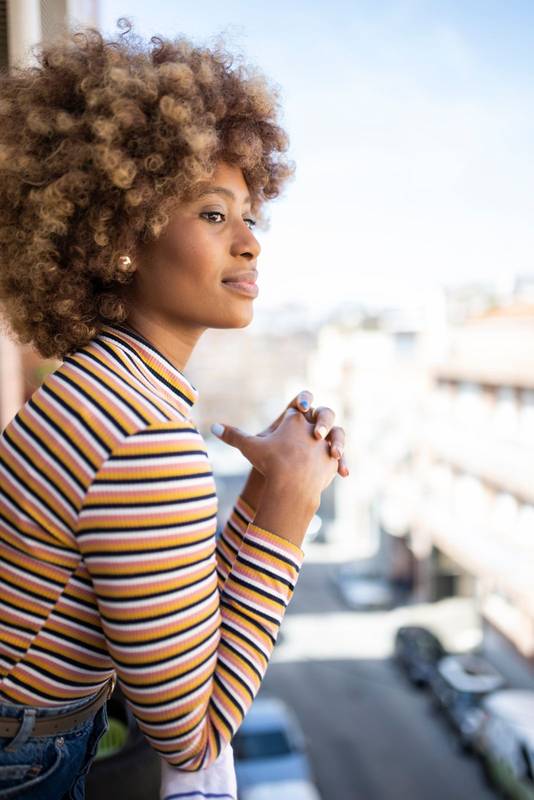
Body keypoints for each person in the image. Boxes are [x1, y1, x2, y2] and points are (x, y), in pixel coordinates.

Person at [0, 19, 349, 800]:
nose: (251, 242)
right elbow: (190, 731)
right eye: (214, 213)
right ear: (122, 236)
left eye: (250, 216)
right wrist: (291, 507)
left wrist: (260, 495)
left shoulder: (101, 383)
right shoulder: (143, 434)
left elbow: (176, 638)